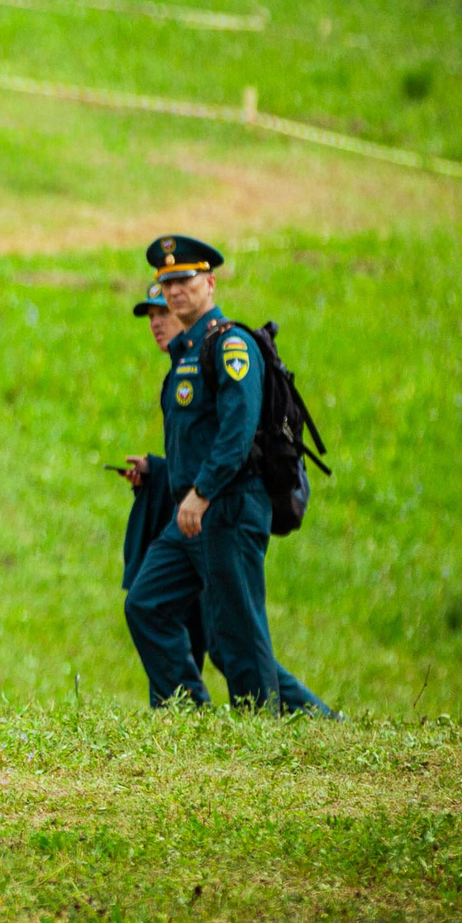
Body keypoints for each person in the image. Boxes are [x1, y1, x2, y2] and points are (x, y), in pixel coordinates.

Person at [120, 236, 328, 713]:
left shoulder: (231, 345)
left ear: (210, 283)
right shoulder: (186, 354)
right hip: (193, 515)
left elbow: (237, 433)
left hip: (229, 506)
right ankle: (188, 714)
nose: (173, 292)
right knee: (147, 603)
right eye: (166, 283)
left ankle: (263, 731)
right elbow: (199, 443)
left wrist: (202, 492)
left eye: (184, 280)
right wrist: (162, 473)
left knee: (237, 631)